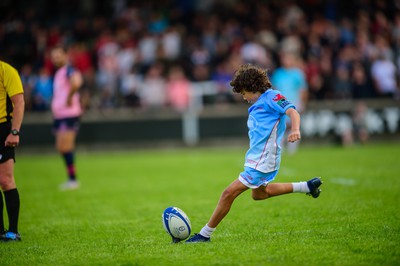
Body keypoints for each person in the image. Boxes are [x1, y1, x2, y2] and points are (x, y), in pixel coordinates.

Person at [185, 64, 322, 243]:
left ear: (252, 87)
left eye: (244, 93)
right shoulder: (258, 104)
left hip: (264, 160)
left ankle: (204, 234)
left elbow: (292, 111)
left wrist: (295, 129)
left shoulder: (272, 96)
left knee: (228, 193)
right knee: (258, 195)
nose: (243, 97)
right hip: (256, 159)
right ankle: (306, 186)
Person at [50, 45, 83, 190]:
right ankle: (71, 178)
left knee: (66, 146)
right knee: (61, 147)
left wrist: (70, 97)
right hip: (59, 115)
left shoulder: (69, 69)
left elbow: (76, 82)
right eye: (54, 56)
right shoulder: (59, 73)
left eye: (58, 55)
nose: (56, 58)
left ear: (65, 55)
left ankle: (73, 180)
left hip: (68, 114)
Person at [0, 60, 25, 241]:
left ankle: (13, 231)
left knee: (5, 180)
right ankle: (0, 231)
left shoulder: (6, 70)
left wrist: (14, 132)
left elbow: (19, 102)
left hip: (2, 129)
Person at [271, 52, 308, 154]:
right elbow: (274, 89)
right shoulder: (278, 73)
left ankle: (292, 150)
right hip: (280, 104)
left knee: (293, 125)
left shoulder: (298, 74)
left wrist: (302, 103)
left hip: (294, 103)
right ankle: (279, 148)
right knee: (280, 126)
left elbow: (303, 90)